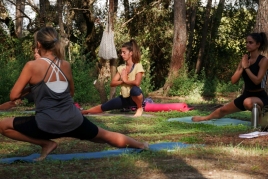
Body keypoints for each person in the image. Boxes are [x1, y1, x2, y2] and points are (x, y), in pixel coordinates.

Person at [0, 27, 148, 161]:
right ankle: (141, 145)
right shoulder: (65, 64)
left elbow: (14, 96)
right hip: (74, 120)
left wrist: (32, 87)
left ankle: (46, 144)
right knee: (105, 136)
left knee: (3, 125)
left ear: (38, 45)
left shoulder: (31, 66)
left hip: (46, 124)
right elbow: (70, 93)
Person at [192, 32, 268, 122]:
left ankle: (261, 119)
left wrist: (246, 67)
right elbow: (233, 80)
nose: (247, 45)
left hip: (260, 96)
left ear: (258, 44)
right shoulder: (244, 60)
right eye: (246, 42)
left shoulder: (263, 60)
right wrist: (241, 68)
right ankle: (205, 118)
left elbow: (257, 81)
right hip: (246, 94)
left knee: (247, 102)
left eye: (250, 43)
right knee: (223, 109)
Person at [82, 39, 145, 117]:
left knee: (134, 90)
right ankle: (85, 111)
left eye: (124, 52)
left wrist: (125, 79)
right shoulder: (122, 68)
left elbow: (137, 82)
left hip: (136, 97)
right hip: (124, 98)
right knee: (105, 106)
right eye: (121, 52)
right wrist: (122, 81)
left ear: (131, 53)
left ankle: (139, 108)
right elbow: (112, 83)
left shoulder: (138, 65)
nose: (122, 54)